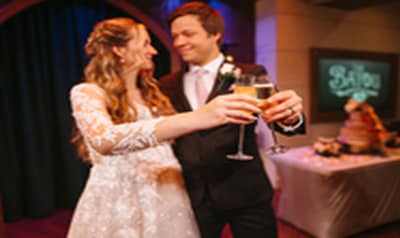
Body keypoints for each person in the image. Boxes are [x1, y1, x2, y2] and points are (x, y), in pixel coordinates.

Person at [67, 17, 261, 238]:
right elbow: (103, 139)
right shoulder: (87, 92)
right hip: (121, 198)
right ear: (120, 50)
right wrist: (200, 116)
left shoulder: (155, 93)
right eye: (145, 43)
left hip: (169, 195)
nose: (153, 51)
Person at [159, 2, 306, 237]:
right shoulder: (166, 84)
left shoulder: (250, 72)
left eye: (188, 34)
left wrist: (290, 118)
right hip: (193, 195)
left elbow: (276, 116)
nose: (178, 43)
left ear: (215, 34)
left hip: (246, 192)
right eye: (175, 36)